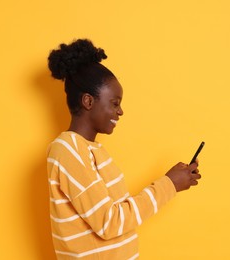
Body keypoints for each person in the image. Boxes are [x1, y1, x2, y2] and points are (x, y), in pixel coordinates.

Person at [46, 39, 201, 259]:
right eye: (115, 102)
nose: (120, 112)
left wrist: (173, 181)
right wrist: (169, 184)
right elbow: (109, 222)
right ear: (88, 101)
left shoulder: (93, 150)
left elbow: (117, 218)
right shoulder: (67, 150)